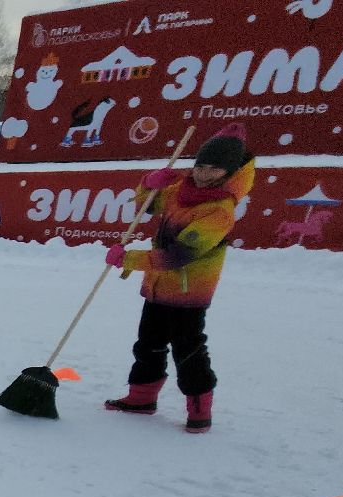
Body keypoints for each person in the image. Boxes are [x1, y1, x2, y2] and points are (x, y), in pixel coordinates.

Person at [102, 123, 255, 433]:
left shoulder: (219, 212)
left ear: (228, 173)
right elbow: (146, 205)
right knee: (148, 343)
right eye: (200, 165)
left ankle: (200, 408)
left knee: (189, 350)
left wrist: (129, 258)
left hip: (189, 294)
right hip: (158, 288)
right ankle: (141, 397)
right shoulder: (178, 192)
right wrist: (148, 184)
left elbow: (177, 256)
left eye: (213, 169)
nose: (202, 173)